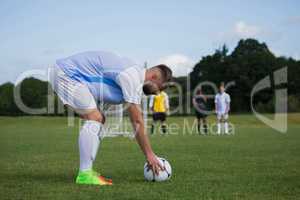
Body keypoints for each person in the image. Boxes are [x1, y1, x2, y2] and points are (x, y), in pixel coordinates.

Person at [49, 51, 172, 185]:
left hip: (69, 74)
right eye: (160, 87)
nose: (158, 92)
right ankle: (85, 174)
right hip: (67, 74)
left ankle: (87, 171)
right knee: (95, 118)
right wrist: (149, 154)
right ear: (154, 77)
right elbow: (137, 120)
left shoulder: (133, 75)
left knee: (99, 119)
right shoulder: (132, 77)